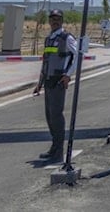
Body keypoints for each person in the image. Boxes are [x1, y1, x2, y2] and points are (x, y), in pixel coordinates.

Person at [33, 9, 78, 160]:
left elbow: (78, 56)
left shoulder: (66, 38)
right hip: (48, 81)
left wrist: (68, 75)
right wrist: (39, 82)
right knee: (49, 116)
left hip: (59, 81)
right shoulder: (49, 39)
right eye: (52, 19)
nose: (55, 21)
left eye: (58, 19)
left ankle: (58, 151)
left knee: (56, 116)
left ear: (62, 20)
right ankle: (54, 147)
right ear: (49, 21)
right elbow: (46, 62)